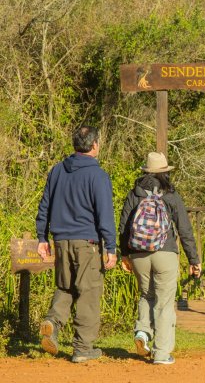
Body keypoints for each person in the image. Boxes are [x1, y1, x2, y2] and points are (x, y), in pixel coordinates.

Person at [36, 125, 117, 363]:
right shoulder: (98, 175)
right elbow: (105, 214)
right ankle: (83, 348)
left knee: (65, 287)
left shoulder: (57, 171)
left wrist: (42, 238)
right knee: (88, 292)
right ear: (95, 145)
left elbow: (45, 206)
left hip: (61, 241)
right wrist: (110, 247)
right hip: (87, 243)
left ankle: (52, 322)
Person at [119, 152, 201, 365]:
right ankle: (162, 353)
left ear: (146, 171)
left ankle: (143, 332)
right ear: (165, 172)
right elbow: (184, 229)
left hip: (138, 254)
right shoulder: (171, 194)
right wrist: (194, 259)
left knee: (146, 294)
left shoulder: (134, 193)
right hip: (165, 252)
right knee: (164, 303)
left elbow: (123, 227)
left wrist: (125, 255)